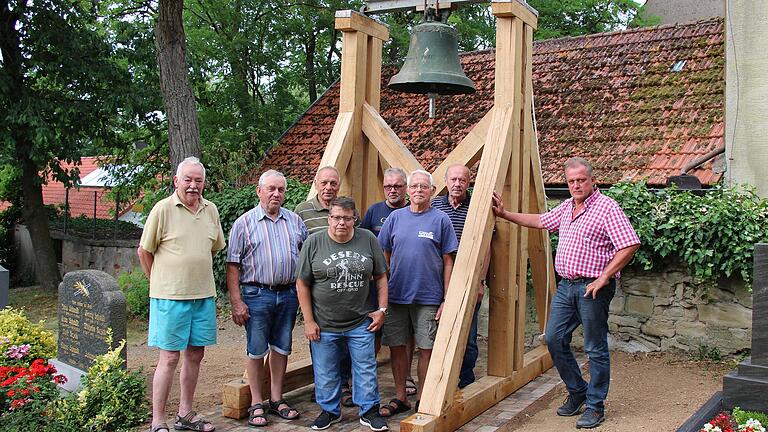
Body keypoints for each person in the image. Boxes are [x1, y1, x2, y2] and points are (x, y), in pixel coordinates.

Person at [492, 157, 640, 429]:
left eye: (581, 180)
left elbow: (629, 244)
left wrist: (604, 277)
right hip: (566, 286)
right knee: (553, 338)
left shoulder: (607, 208)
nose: (576, 185)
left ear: (592, 180)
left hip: (592, 287)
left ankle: (595, 406)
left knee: (594, 348)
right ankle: (577, 391)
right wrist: (504, 214)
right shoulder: (566, 208)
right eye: (571, 181)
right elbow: (540, 220)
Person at [138, 156, 225, 432]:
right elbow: (144, 251)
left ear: (204, 183)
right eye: (187, 179)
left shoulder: (211, 210)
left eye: (198, 180)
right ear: (176, 181)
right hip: (170, 298)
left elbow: (212, 248)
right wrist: (159, 282)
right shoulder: (162, 209)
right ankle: (158, 420)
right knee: (169, 358)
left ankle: (185, 414)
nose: (192, 185)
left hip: (202, 296)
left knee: (195, 354)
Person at [296, 197, 390, 431]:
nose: (341, 223)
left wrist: (382, 310)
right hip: (324, 322)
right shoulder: (314, 242)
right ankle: (330, 411)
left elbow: (381, 276)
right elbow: (302, 283)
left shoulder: (367, 239)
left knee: (366, 367)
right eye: (337, 217)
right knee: (326, 370)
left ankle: (369, 411)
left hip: (361, 320)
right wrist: (308, 321)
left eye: (347, 218)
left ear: (354, 220)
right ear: (329, 218)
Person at [226, 170, 308, 427]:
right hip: (256, 293)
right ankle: (256, 403)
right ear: (259, 191)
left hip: (288, 293)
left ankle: (277, 399)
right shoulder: (244, 223)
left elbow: (305, 259)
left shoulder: (295, 221)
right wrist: (237, 302)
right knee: (256, 349)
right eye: (271, 188)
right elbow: (232, 266)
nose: (276, 194)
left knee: (282, 347)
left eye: (280, 189)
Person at [377, 169, 458, 416]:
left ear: (433, 191)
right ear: (408, 191)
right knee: (397, 347)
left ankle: (424, 397)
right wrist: (384, 293)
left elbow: (448, 261)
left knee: (426, 348)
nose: (419, 191)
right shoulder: (395, 218)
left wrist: (446, 298)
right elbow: (384, 257)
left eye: (424, 187)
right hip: (397, 296)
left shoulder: (441, 219)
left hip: (429, 296)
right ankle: (401, 396)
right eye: (414, 187)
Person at [360, 167, 418, 397]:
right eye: (388, 186)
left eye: (397, 186)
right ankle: (365, 378)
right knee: (372, 330)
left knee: (408, 333)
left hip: (406, 283)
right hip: (376, 284)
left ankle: (407, 376)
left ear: (405, 187)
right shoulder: (374, 211)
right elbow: (361, 241)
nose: (392, 190)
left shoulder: (415, 209)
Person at [431, 164, 489, 389]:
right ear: (445, 181)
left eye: (462, 180)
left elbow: (486, 247)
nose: (457, 184)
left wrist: (480, 282)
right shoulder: (434, 204)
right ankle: (440, 381)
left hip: (467, 277)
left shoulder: (477, 206)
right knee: (436, 333)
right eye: (453, 179)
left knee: (469, 336)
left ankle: (465, 380)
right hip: (435, 279)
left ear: (469, 182)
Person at [295, 166, 342, 235]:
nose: (328, 188)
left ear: (339, 186)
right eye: (324, 183)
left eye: (333, 183)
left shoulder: (348, 209)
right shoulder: (302, 211)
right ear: (315, 184)